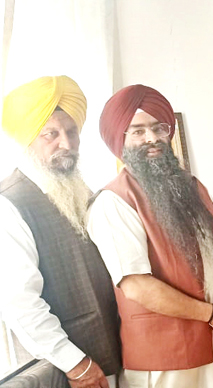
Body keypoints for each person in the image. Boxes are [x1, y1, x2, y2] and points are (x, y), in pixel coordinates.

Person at [87, 84, 213, 387]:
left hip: (208, 337)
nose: (152, 139)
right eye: (138, 131)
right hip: (160, 354)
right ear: (120, 139)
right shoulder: (113, 202)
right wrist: (212, 313)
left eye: (159, 128)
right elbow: (136, 286)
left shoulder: (192, 186)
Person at [0, 75, 121, 387]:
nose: (66, 144)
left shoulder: (76, 189)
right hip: (71, 368)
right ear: (28, 139)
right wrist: (76, 364)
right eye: (50, 134)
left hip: (114, 352)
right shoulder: (9, 203)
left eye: (71, 132)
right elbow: (20, 301)